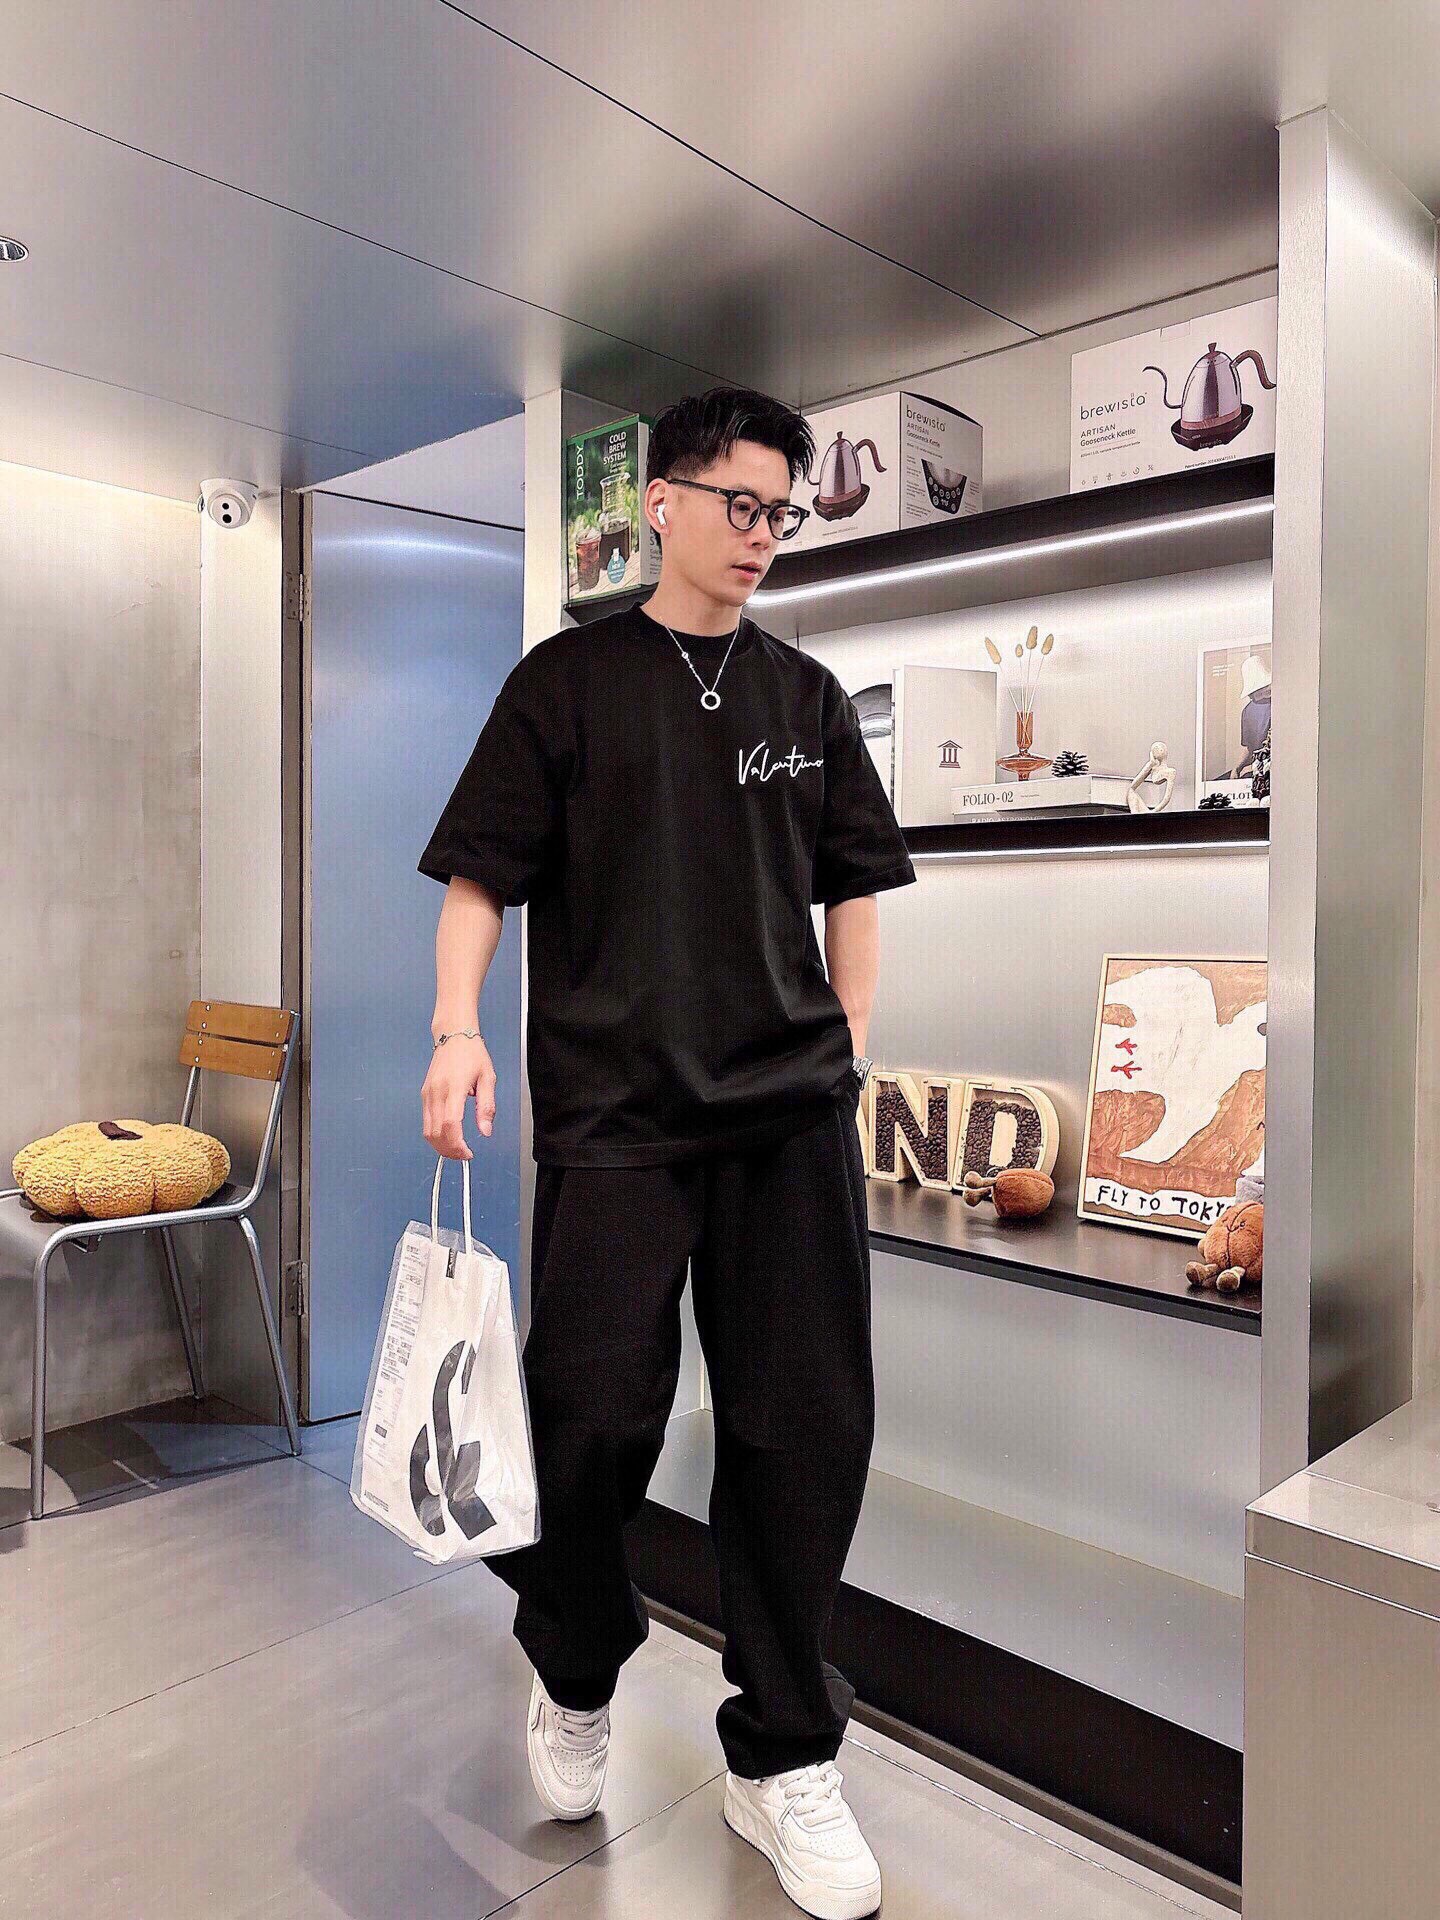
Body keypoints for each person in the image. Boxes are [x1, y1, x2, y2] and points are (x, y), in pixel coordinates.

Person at [418, 386, 916, 1920]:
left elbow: (854, 882)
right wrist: (454, 1029)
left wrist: (847, 1045)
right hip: (617, 1123)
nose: (764, 536)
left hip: (786, 1121)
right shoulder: (568, 685)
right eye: (742, 505)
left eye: (784, 514)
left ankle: (784, 1755)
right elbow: (480, 879)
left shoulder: (808, 697)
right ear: (664, 503)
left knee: (802, 1431)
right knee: (586, 1422)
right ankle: (577, 1670)